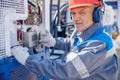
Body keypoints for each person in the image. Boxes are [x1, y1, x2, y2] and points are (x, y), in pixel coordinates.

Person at [11, 0, 118, 80]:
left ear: (96, 15)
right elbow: (75, 44)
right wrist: (54, 42)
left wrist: (27, 60)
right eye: (73, 13)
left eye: (82, 12)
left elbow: (66, 70)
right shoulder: (91, 36)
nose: (75, 18)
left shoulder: (98, 44)